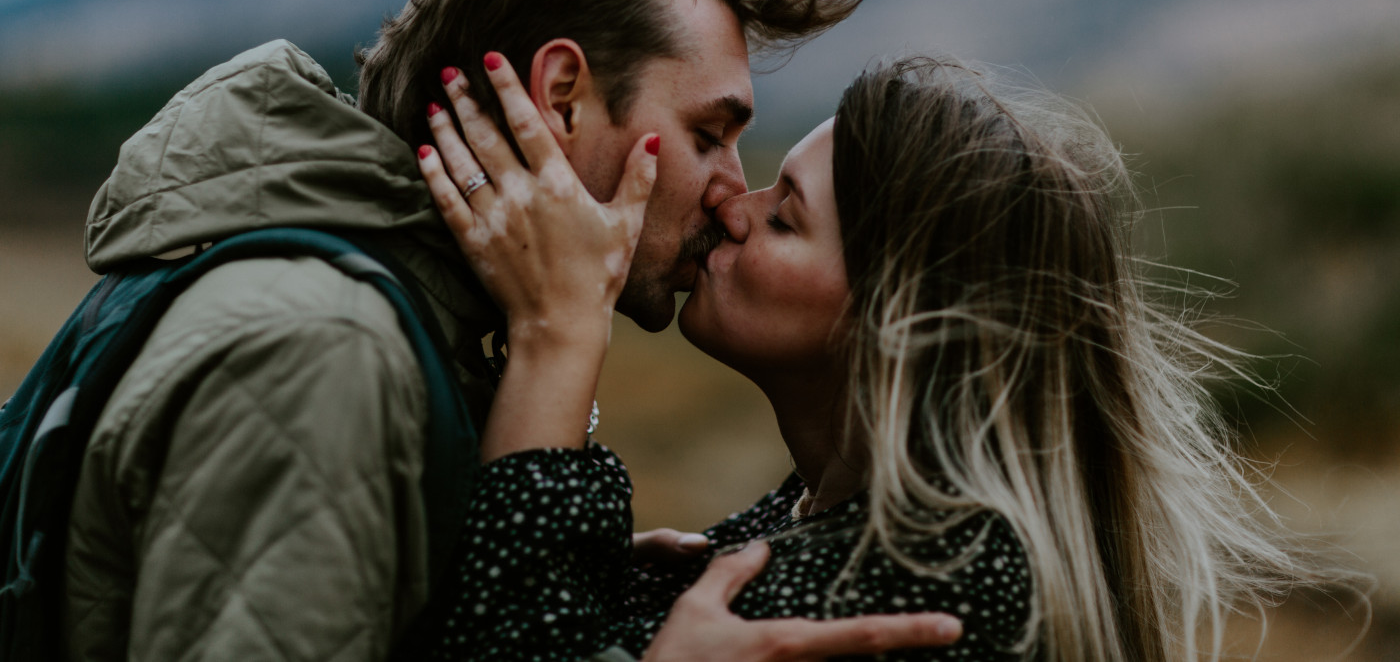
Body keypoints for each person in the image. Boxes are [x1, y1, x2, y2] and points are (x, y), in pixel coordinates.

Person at [61, 0, 964, 661]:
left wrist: (548, 585)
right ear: (562, 96)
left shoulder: (404, 329)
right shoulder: (326, 353)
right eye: (707, 133)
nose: (732, 189)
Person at [416, 53, 1334, 661]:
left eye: (785, 217)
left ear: (893, 320)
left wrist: (558, 331)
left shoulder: (926, 589)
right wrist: (605, 590)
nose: (734, 203)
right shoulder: (834, 514)